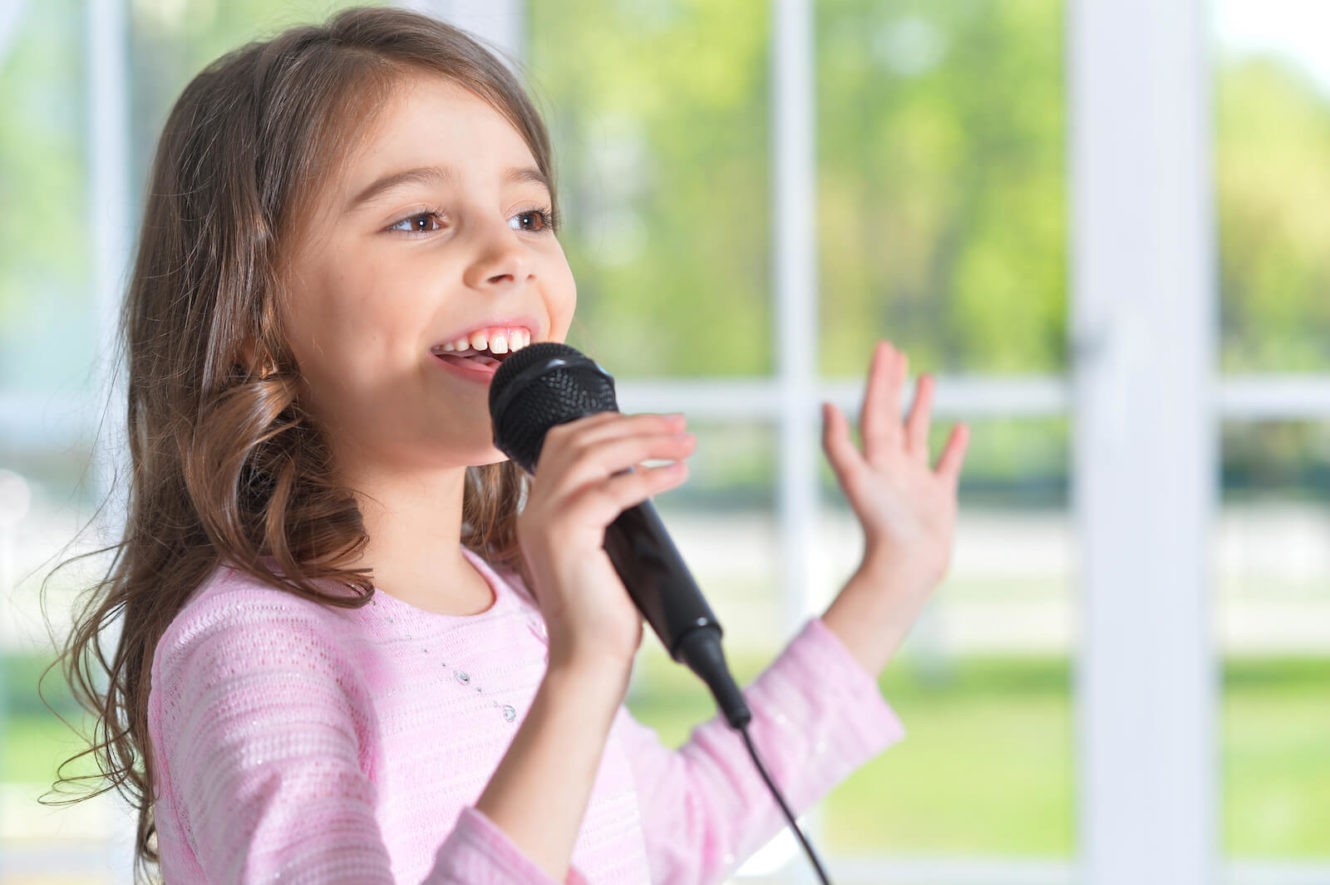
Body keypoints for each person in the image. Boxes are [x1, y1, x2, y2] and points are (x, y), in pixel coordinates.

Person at [57, 6, 970, 883]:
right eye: (420, 219)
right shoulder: (255, 648)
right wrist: (582, 672)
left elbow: (678, 831)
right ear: (255, 319)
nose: (510, 256)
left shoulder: (514, 604)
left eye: (531, 215)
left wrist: (897, 573)